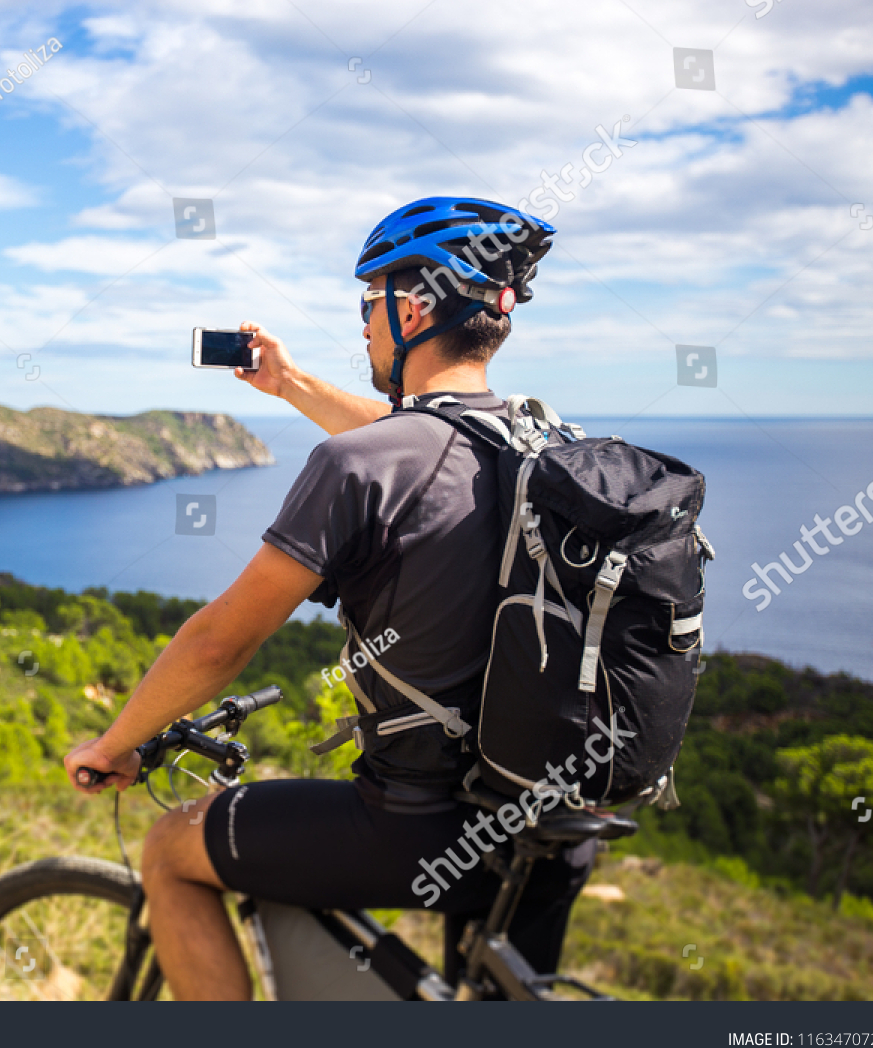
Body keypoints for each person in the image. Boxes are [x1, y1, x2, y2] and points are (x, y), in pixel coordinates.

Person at [63, 197, 596, 1000]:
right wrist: (290, 384)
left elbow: (221, 643)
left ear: (412, 307)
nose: (365, 325)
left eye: (369, 303)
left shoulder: (356, 466)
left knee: (172, 850)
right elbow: (425, 438)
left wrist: (116, 743)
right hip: (554, 824)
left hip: (423, 825)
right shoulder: (552, 446)